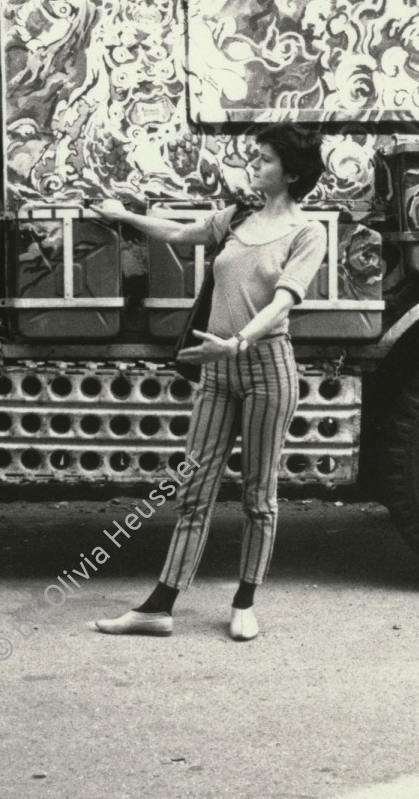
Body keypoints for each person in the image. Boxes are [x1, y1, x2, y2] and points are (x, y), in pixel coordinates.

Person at [91, 126, 328, 642]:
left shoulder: (307, 231)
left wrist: (238, 341)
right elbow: (179, 234)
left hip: (267, 367)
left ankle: (245, 601)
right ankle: (159, 605)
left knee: (258, 495)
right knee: (194, 489)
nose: (255, 165)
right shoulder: (239, 218)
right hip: (218, 373)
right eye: (256, 157)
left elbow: (284, 301)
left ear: (291, 173)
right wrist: (126, 216)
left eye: (265, 160)